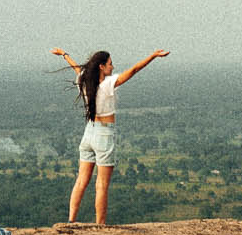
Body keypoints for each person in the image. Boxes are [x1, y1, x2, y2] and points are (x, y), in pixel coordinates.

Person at [50, 45, 168, 225]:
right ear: (101, 67)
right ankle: (100, 225)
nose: (112, 67)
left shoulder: (84, 81)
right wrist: (152, 56)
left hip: (88, 133)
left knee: (81, 180)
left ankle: (71, 220)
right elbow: (134, 70)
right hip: (104, 134)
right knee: (102, 184)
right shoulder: (107, 84)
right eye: (110, 64)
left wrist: (64, 55)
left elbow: (78, 69)